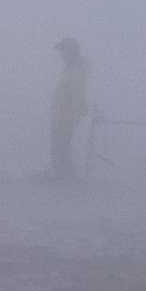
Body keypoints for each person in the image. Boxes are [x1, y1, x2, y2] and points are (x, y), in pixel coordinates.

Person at [47, 37, 89, 182]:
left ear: (71, 52)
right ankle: (64, 177)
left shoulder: (76, 71)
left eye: (63, 51)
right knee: (60, 148)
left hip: (65, 117)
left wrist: (74, 116)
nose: (61, 55)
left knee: (60, 148)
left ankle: (64, 179)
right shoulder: (70, 70)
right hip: (61, 116)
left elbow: (77, 95)